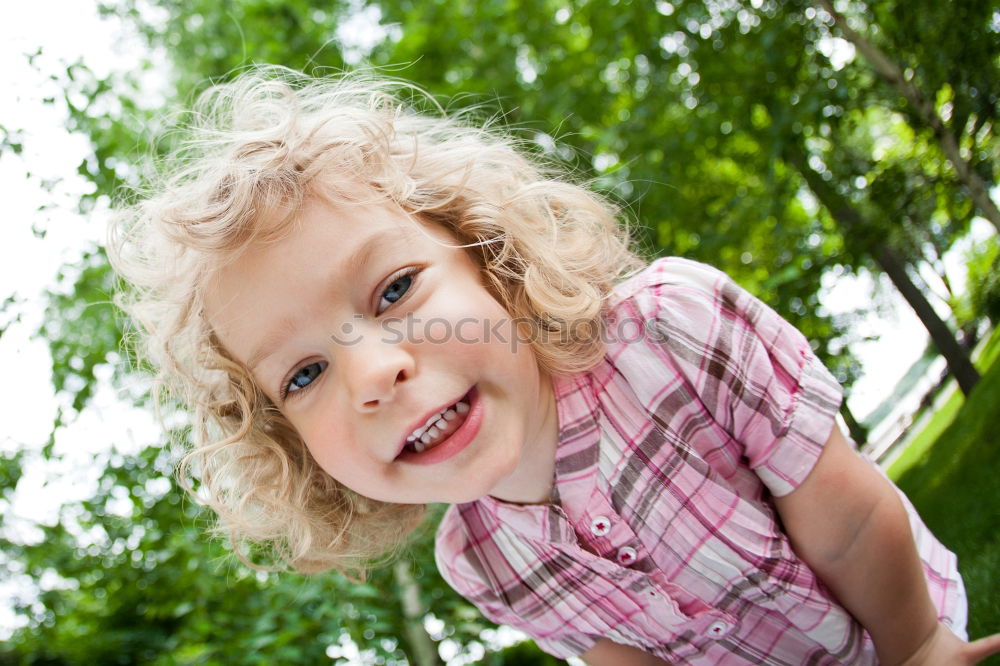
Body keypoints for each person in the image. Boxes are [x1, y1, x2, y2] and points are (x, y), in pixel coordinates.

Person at [109, 67, 999, 665]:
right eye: (302, 376)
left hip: (904, 620)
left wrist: (919, 649)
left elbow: (845, 522)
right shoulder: (481, 560)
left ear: (486, 255)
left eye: (393, 292)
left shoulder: (670, 333)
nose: (372, 373)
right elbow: (622, 653)